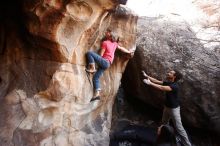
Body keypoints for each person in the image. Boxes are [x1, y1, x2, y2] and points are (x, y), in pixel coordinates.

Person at [142, 70, 192, 146]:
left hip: (174, 109)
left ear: (174, 76)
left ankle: (187, 144)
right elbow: (157, 81)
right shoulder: (169, 82)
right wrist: (146, 76)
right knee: (164, 123)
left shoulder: (174, 86)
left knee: (179, 128)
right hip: (167, 107)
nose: (168, 73)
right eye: (169, 72)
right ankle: (162, 139)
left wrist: (150, 83)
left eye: (171, 73)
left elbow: (162, 88)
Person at [86, 30, 134, 102]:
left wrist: (96, 61)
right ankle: (97, 94)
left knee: (89, 53)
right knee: (96, 77)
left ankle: (92, 68)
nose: (106, 33)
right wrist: (129, 51)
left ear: (110, 35)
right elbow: (121, 49)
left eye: (108, 32)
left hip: (104, 61)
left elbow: (101, 55)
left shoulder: (105, 43)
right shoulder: (114, 44)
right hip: (108, 64)